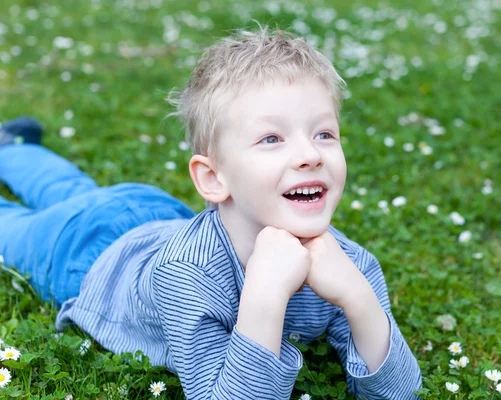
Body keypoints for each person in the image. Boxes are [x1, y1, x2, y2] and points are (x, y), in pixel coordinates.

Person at [0, 27, 422, 399]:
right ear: (214, 179)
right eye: (272, 138)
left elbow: (401, 394)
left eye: (324, 133)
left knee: (71, 189)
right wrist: (265, 296)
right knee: (14, 226)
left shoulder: (348, 262)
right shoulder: (186, 274)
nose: (310, 154)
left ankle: (14, 149)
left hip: (158, 215)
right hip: (85, 253)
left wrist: (358, 298)